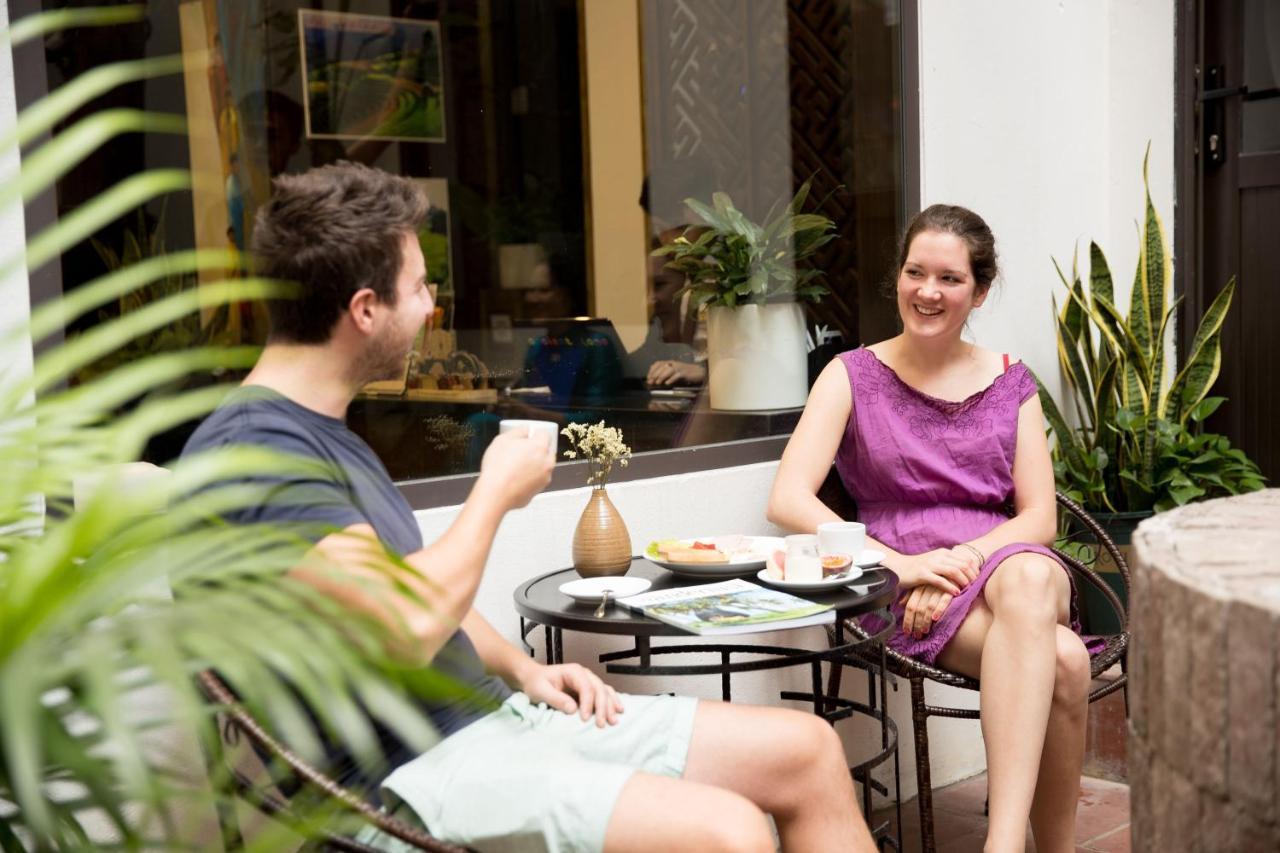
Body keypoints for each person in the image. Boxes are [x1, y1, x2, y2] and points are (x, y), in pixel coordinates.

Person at [182, 162, 875, 853]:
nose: (431, 307)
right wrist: (494, 494)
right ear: (365, 309)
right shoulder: (257, 457)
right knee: (729, 832)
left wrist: (525, 669)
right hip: (411, 778)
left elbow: (405, 591)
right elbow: (402, 626)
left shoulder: (322, 432)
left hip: (491, 720)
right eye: (421, 286)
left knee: (807, 749)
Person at [767, 204, 1091, 853]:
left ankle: (1000, 846)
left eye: (948, 278)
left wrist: (957, 561)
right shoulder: (850, 374)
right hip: (902, 583)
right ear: (898, 277)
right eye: (916, 272)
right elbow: (788, 497)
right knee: (1066, 659)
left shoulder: (1011, 380)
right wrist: (903, 565)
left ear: (979, 290)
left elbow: (1039, 518)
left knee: (1028, 575)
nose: (928, 291)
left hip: (1000, 560)